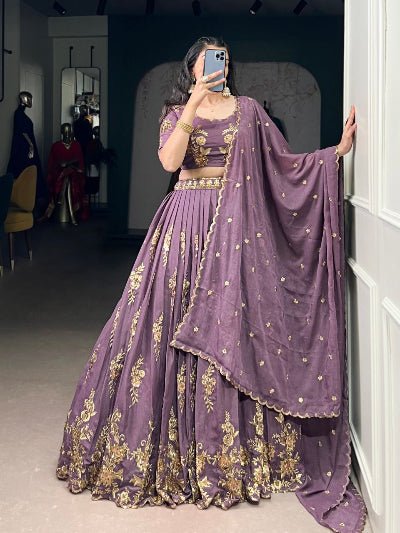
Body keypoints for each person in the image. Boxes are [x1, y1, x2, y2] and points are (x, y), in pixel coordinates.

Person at [56, 36, 366, 532]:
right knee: (159, 325)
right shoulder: (176, 110)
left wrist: (335, 154)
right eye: (207, 59)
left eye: (222, 58)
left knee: (233, 327)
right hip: (184, 225)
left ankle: (227, 454)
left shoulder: (248, 111)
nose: (217, 65)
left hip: (235, 226)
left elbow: (282, 164)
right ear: (193, 67)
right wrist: (194, 102)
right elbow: (169, 161)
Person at [45, 123, 85, 225]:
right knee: (66, 178)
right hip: (60, 173)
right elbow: (52, 164)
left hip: (74, 173)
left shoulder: (76, 145)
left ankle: (70, 212)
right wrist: (62, 166)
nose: (67, 134)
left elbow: (79, 162)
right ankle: (72, 216)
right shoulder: (56, 146)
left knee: (69, 178)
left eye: (69, 132)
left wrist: (70, 165)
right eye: (65, 132)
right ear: (62, 133)